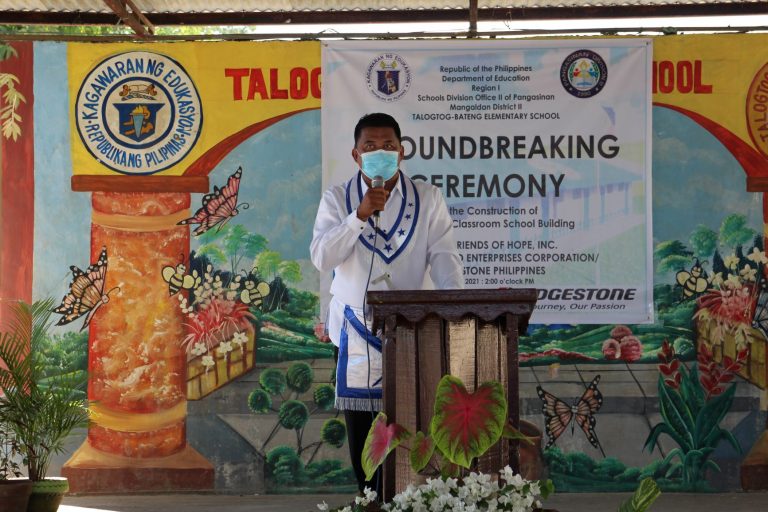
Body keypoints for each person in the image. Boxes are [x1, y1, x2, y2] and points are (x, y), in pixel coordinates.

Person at [310, 113, 464, 495]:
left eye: (389, 146)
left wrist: (456, 303)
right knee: (366, 440)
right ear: (356, 155)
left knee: (413, 426)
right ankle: (369, 499)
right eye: (370, 147)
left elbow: (444, 256)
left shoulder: (428, 198)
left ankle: (409, 499)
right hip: (355, 332)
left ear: (402, 150)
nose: (380, 152)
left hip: (414, 329)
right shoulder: (337, 198)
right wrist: (358, 216)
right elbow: (322, 258)